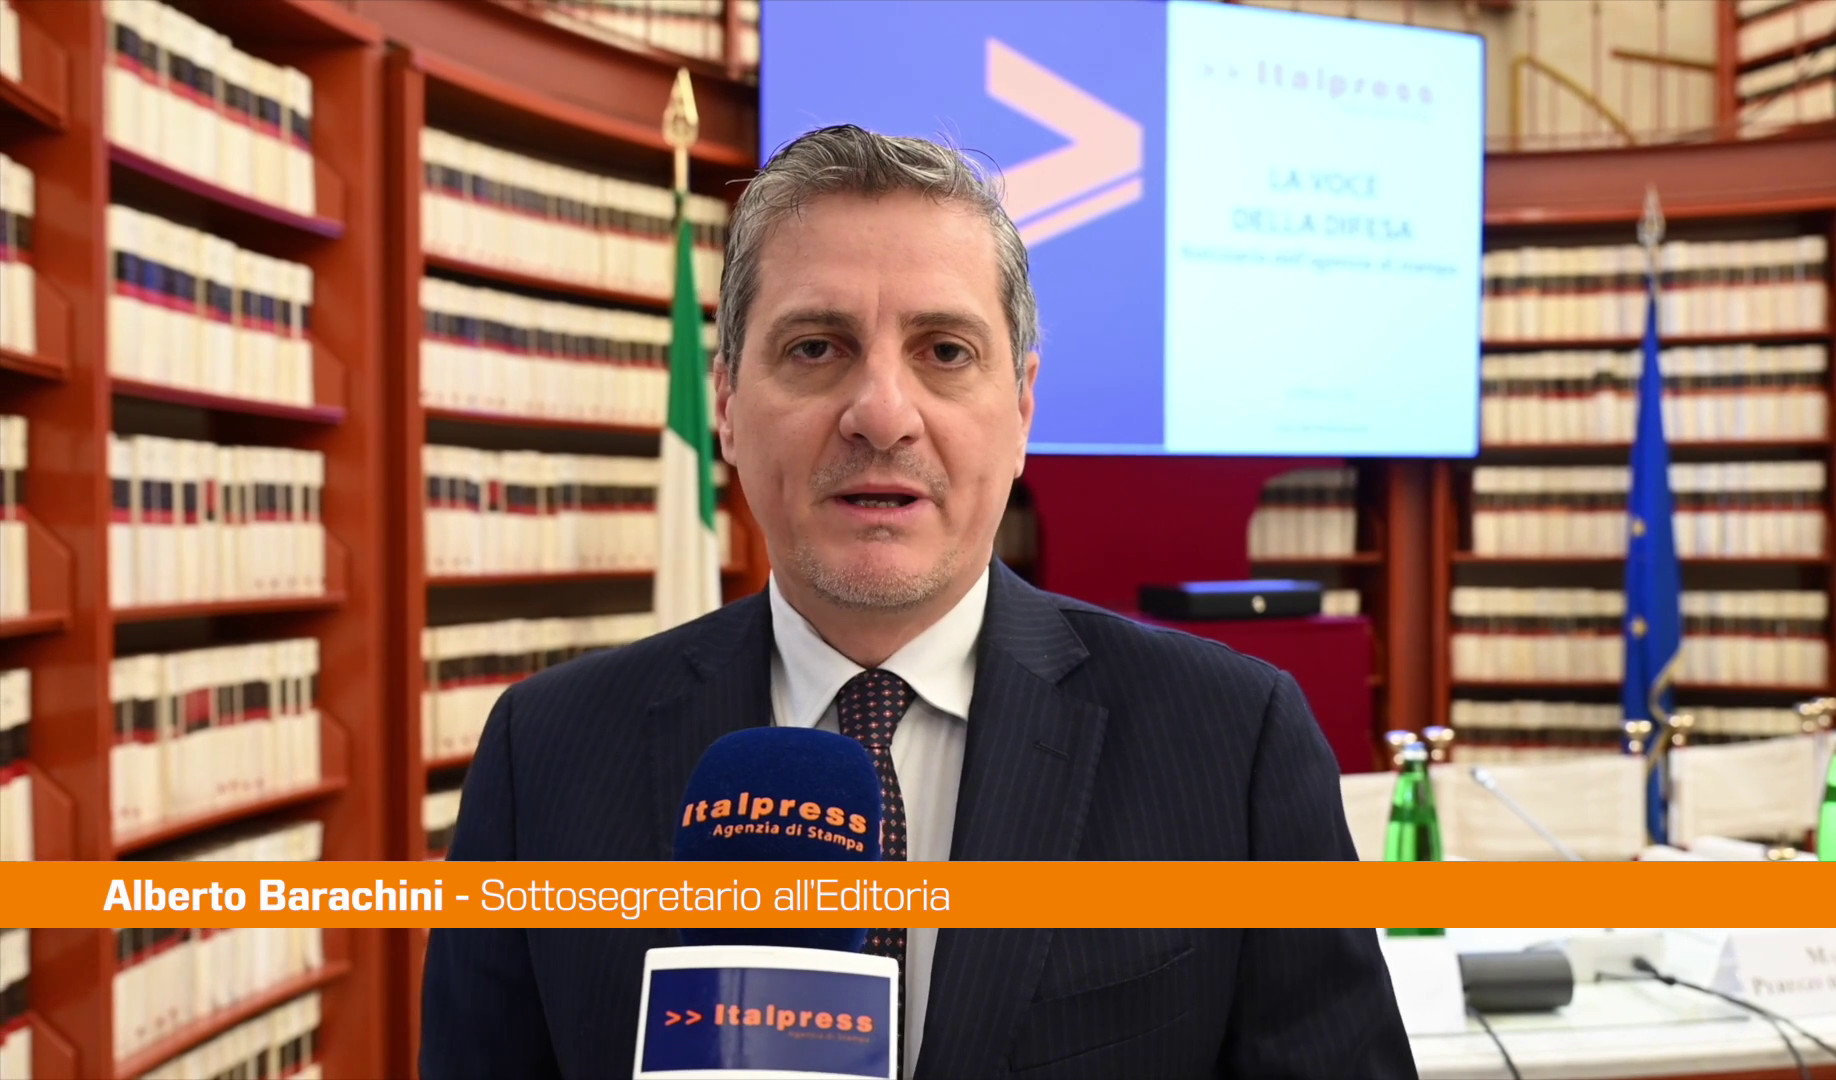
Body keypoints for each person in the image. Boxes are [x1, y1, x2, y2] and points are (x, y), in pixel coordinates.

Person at [421, 124, 1416, 1080]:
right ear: (725, 402)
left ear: (1021, 410)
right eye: (817, 347)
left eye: (944, 351)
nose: (882, 415)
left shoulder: (1232, 743)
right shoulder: (544, 756)